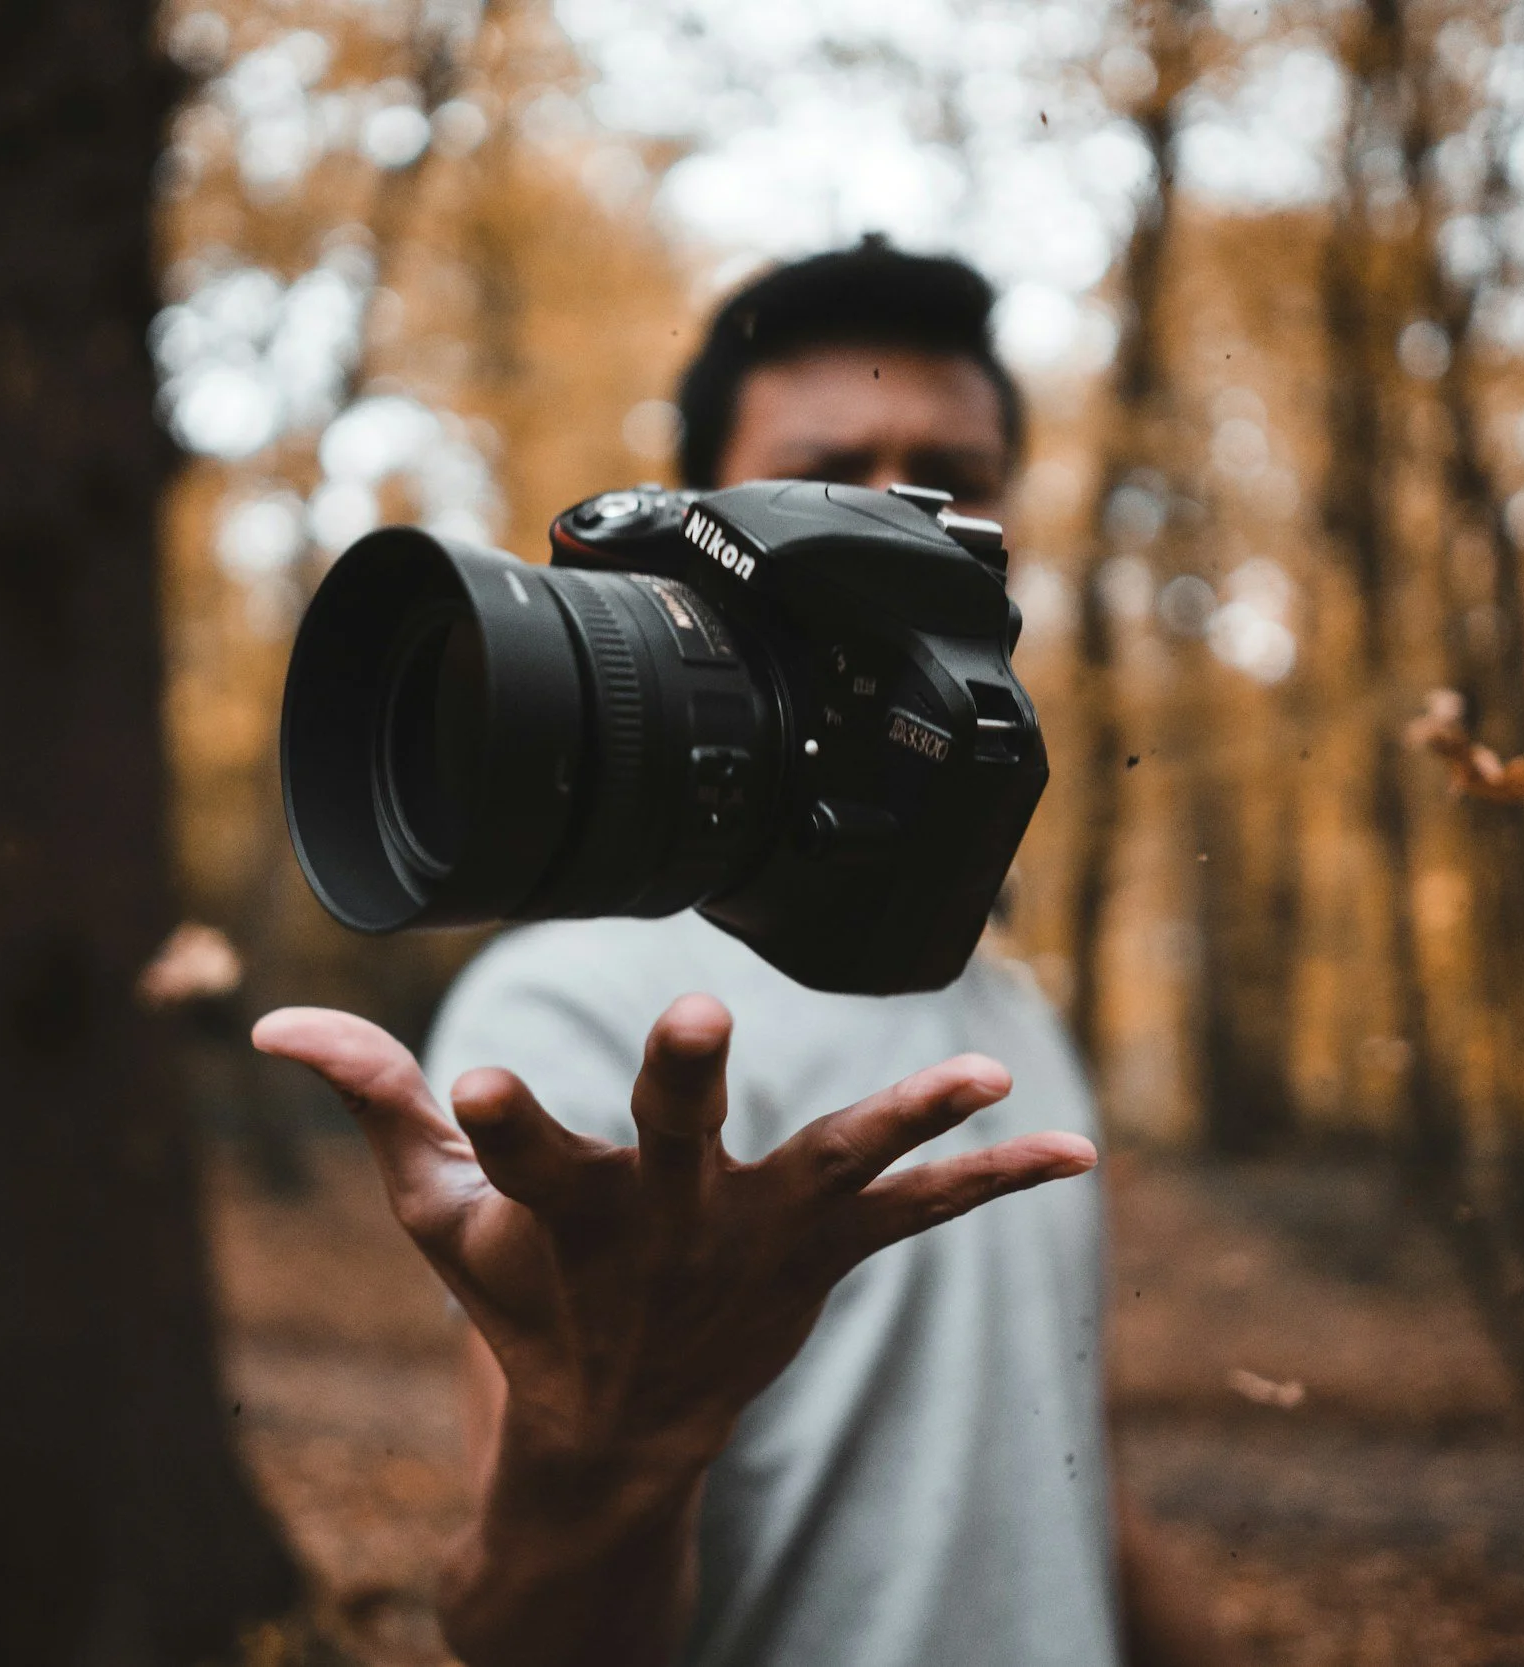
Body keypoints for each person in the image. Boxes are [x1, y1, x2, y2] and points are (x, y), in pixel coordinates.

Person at [255, 241, 1233, 1667]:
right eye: (840, 471)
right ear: (710, 509)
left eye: (951, 479)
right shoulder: (582, 1007)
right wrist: (614, 1450)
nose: (907, 520)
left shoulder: (1004, 999)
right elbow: (530, 1635)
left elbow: (1062, 1484)